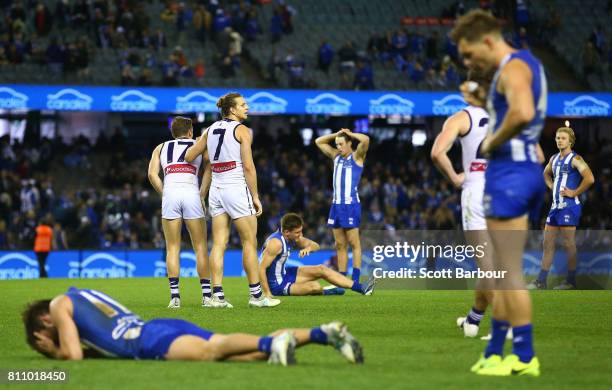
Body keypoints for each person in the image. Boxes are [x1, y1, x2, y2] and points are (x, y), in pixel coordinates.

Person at [451, 9, 547, 376]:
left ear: (488, 41)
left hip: (510, 176)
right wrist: (481, 100)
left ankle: (522, 357)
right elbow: (516, 107)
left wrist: (492, 140)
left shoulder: (512, 67)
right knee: (506, 272)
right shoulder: (523, 67)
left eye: (470, 54)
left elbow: (521, 112)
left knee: (507, 274)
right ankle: (496, 353)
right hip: (522, 174)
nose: (468, 61)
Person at [22, 287, 363, 366]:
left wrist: (53, 353)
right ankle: (324, 333)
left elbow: (73, 357)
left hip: (148, 342)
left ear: (45, 321)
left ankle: (272, 343)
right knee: (237, 353)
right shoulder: (81, 294)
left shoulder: (58, 304)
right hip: (156, 327)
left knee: (212, 351)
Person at [185, 92, 279, 308]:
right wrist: (255, 196)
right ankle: (256, 296)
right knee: (249, 241)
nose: (247, 107)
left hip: (216, 189)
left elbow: (190, 156)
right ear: (232, 110)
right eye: (243, 105)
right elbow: (248, 166)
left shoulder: (209, 130)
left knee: (219, 243)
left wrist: (209, 158)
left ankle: (216, 296)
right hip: (235, 186)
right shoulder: (242, 130)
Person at [431, 75, 494, 338]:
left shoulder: (461, 118)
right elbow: (536, 155)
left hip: (476, 191)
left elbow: (437, 153)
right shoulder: (507, 114)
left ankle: (508, 325)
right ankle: (473, 320)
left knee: (489, 267)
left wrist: (456, 176)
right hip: (506, 192)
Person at [147, 116, 211, 309]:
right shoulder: (198, 145)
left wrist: (164, 191)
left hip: (171, 193)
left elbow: (151, 174)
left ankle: (175, 297)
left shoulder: (161, 147)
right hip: (191, 192)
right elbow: (209, 168)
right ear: (190, 131)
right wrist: (202, 194)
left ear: (172, 132)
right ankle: (207, 296)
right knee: (200, 247)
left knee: (172, 247)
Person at [527, 125, 594, 290]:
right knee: (547, 243)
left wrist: (574, 192)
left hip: (569, 206)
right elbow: (545, 174)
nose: (559, 140)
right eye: (557, 138)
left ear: (570, 141)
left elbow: (590, 178)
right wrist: (551, 186)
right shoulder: (553, 159)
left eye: (563, 138)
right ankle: (541, 281)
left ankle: (571, 281)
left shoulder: (575, 159)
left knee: (568, 243)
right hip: (555, 207)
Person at [259, 213, 376, 297]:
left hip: (284, 274)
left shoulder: (290, 236)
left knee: (321, 269)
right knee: (314, 286)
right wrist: (267, 293)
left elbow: (315, 245)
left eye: (301, 231)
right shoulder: (276, 243)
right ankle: (326, 292)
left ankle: (361, 288)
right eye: (297, 232)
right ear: (286, 232)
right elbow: (261, 269)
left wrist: (308, 248)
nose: (300, 235)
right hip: (275, 285)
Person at [315, 128, 369, 287]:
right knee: (339, 244)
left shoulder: (357, 157)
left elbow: (365, 140)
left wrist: (350, 133)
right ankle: (341, 281)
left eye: (341, 143)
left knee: (354, 243)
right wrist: (336, 134)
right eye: (336, 144)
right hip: (336, 205)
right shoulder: (336, 156)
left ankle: (356, 279)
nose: (338, 147)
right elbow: (318, 141)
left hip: (350, 205)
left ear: (350, 143)